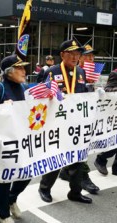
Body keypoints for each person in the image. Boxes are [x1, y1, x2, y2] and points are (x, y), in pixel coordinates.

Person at [38, 39, 92, 204]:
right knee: (56, 158)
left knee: (78, 159)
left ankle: (75, 192)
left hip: (76, 124)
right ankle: (44, 188)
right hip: (57, 124)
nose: (75, 57)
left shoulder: (81, 72)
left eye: (78, 54)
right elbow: (39, 96)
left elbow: (83, 95)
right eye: (72, 53)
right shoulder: (52, 72)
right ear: (62, 55)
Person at [0, 54, 31, 223]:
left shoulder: (24, 87)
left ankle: (12, 199)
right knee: (3, 179)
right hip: (4, 143)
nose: (24, 71)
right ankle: (3, 214)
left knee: (27, 172)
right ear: (9, 71)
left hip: (22, 139)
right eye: (20, 68)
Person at [59, 44, 100, 195]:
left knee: (80, 150)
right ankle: (51, 182)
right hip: (61, 122)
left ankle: (79, 176)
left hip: (79, 121)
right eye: (87, 56)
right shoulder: (56, 71)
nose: (91, 59)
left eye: (92, 56)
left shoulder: (82, 73)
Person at [94, 69, 117, 176]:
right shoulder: (115, 73)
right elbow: (108, 89)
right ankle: (101, 159)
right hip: (114, 113)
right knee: (114, 142)